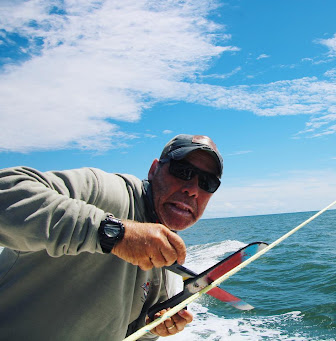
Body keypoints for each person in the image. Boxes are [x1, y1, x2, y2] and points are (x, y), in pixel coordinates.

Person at [0, 134, 223, 340]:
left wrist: (151, 329)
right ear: (154, 169)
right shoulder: (106, 192)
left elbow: (128, 332)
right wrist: (113, 233)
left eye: (207, 183)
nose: (193, 189)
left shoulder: (169, 274)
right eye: (183, 171)